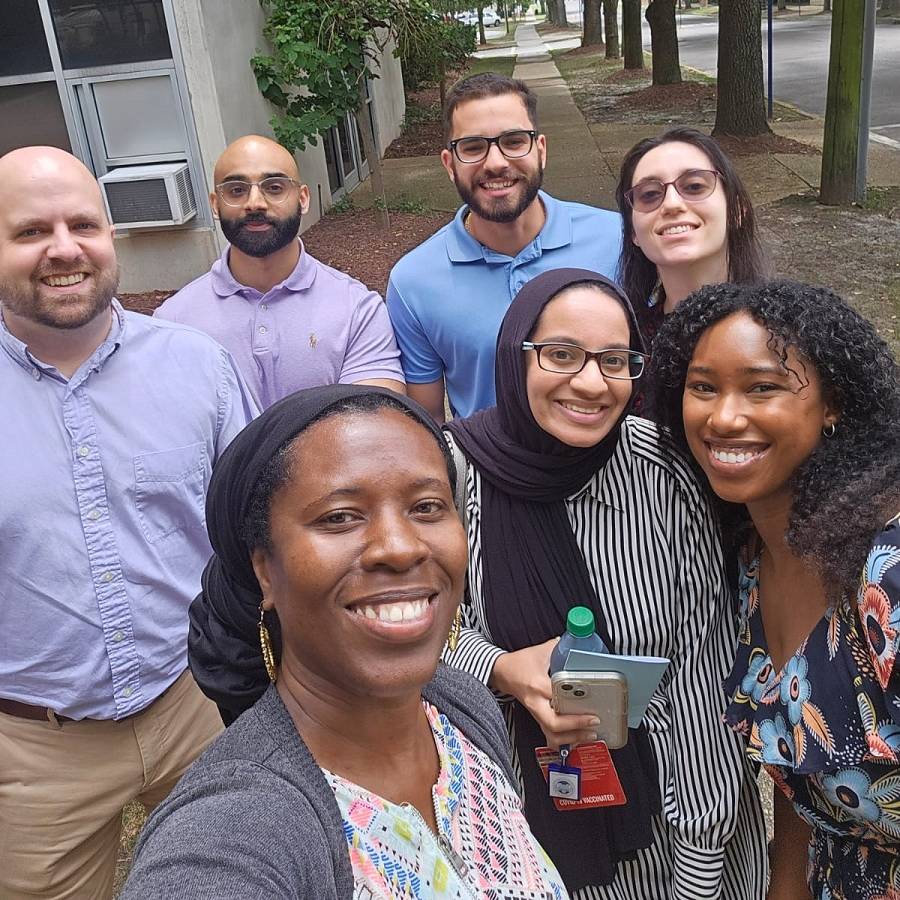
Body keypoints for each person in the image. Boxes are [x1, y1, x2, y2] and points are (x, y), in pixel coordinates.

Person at [122, 386, 569, 899]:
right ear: (263, 569)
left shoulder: (460, 710)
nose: (400, 548)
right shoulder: (233, 835)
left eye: (426, 507)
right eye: (340, 517)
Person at [442, 269, 768, 899]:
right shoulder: (449, 477)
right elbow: (411, 637)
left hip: (672, 837)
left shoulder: (664, 471)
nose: (591, 383)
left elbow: (704, 675)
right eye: (561, 354)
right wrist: (499, 666)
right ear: (515, 355)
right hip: (514, 838)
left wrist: (697, 869)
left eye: (614, 361)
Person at [0, 146, 258, 900]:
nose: (64, 248)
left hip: (195, 705)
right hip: (32, 748)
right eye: (29, 231)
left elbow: (251, 533)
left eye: (84, 223)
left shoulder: (198, 366)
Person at [649, 280, 900, 900]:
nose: (724, 416)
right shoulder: (747, 564)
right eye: (703, 387)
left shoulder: (885, 575)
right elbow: (797, 771)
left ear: (833, 404)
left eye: (762, 387)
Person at [386, 73, 622, 422]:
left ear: (540, 150)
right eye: (473, 147)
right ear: (450, 165)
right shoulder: (414, 283)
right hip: (489, 471)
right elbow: (428, 426)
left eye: (513, 141)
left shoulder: (616, 239)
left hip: (615, 466)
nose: (495, 162)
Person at [154, 135, 405, 409]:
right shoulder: (173, 323)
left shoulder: (358, 311)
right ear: (215, 204)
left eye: (274, 188)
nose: (255, 203)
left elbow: (374, 428)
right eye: (236, 190)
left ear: (303, 198)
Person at [615, 127, 765, 344]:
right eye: (649, 194)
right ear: (632, 232)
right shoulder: (623, 348)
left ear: (737, 210)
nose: (672, 204)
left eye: (694, 186)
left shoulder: (789, 334)